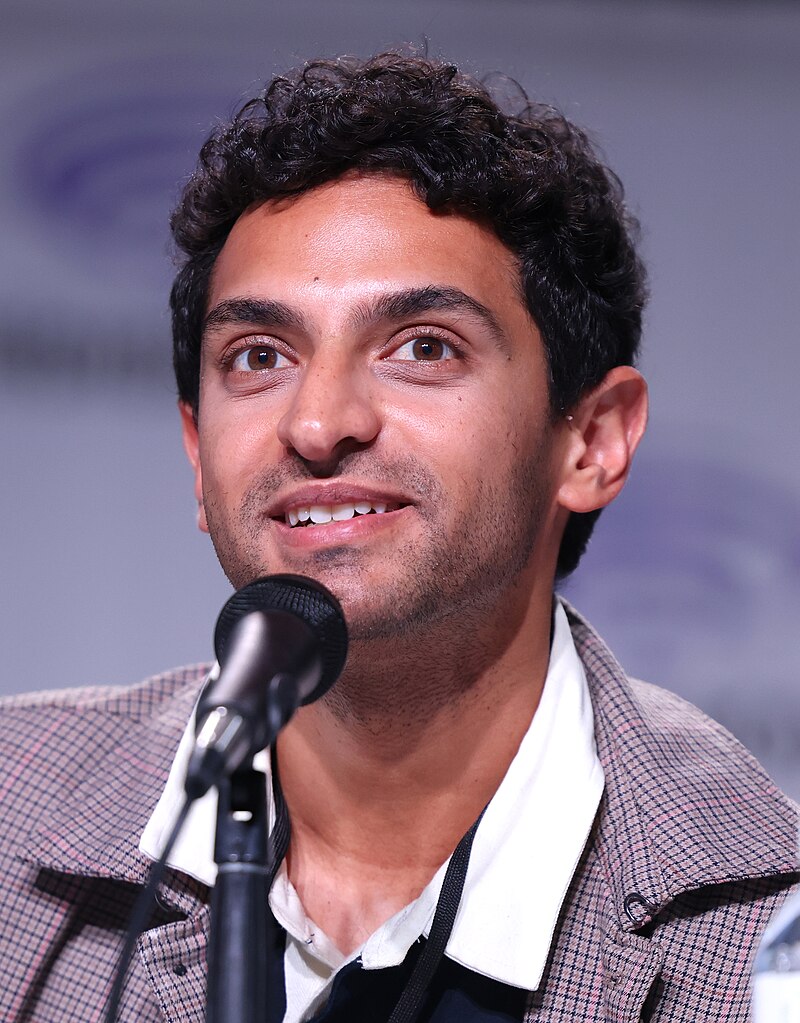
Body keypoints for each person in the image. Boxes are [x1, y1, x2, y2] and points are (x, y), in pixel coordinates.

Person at [0, 51, 797, 1023]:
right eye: (259, 356)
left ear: (591, 441)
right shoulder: (9, 818)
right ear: (198, 453)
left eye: (422, 347)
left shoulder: (764, 933)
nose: (317, 421)